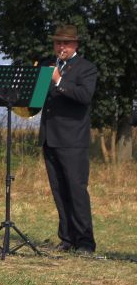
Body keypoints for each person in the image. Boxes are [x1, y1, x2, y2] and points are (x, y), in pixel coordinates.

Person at [39, 25, 97, 253]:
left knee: (76, 190)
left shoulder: (86, 68)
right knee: (59, 191)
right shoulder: (47, 66)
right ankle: (67, 238)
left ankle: (85, 241)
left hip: (73, 139)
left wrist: (59, 81)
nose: (61, 47)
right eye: (57, 43)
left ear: (75, 45)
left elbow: (84, 96)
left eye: (66, 43)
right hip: (50, 136)